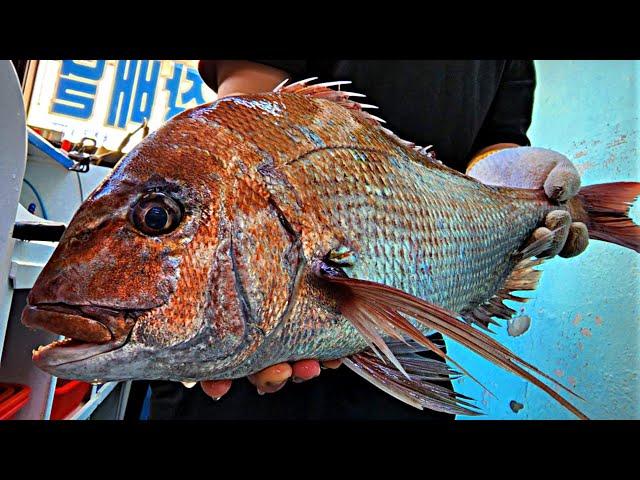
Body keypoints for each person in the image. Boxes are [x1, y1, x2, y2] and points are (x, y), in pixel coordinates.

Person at [146, 60, 588, 420]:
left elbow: (492, 151)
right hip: (249, 387)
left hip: (409, 347)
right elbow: (245, 130)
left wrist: (523, 188)